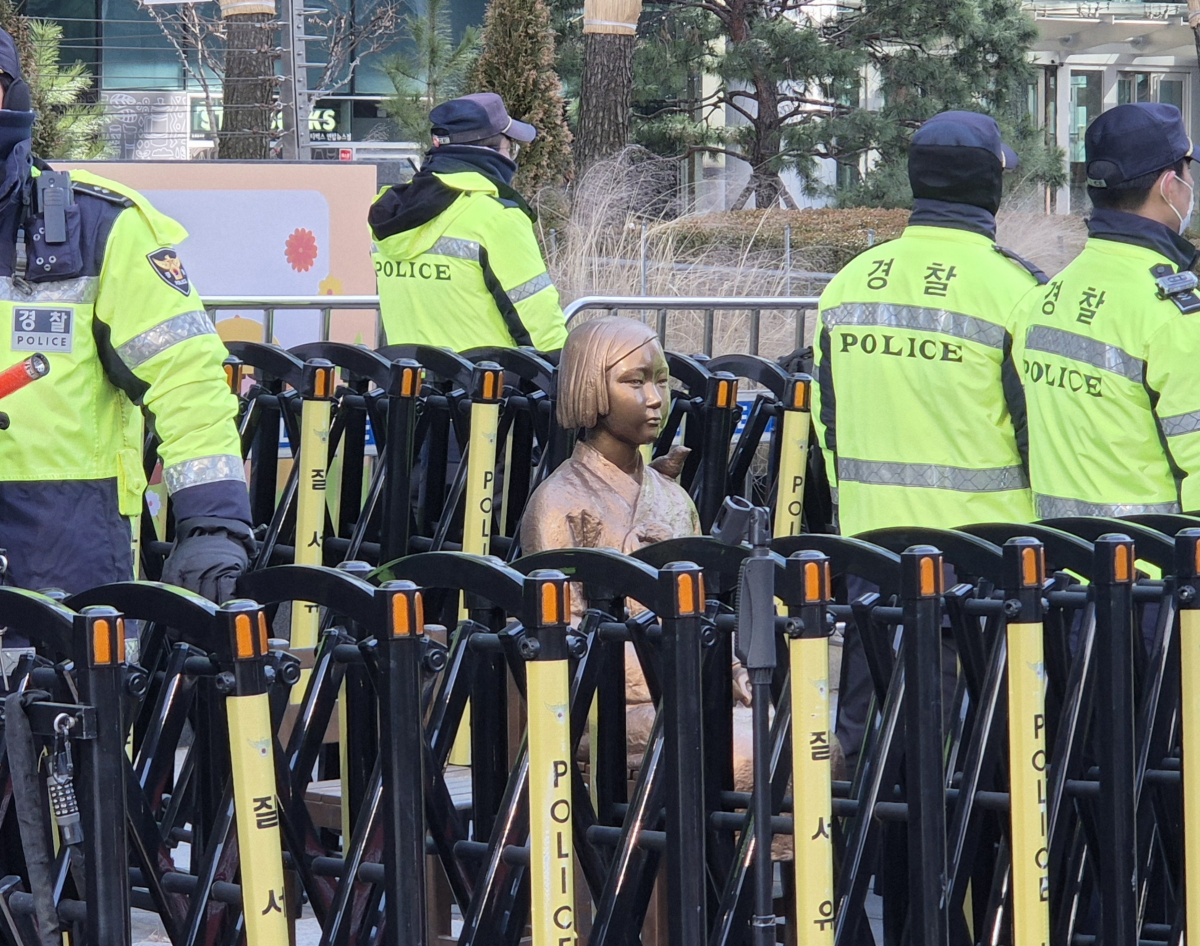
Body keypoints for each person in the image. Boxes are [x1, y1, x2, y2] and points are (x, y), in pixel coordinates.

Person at [811, 110, 1043, 768]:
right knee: (987, 779)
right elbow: (1041, 444)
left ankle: (867, 874)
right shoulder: (1016, 291)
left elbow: (828, 428)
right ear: (990, 187)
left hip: (873, 568)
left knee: (872, 761)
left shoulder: (848, 284)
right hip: (986, 578)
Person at [0, 28, 251, 603]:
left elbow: (185, 378)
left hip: (63, 548)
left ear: (13, 97)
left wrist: (212, 523)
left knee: (68, 690)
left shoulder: (102, 227)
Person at [1013, 102, 1200, 519]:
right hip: (1151, 571)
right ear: (1170, 186)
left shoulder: (1043, 299)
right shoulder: (1175, 317)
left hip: (1058, 567)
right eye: (1189, 173)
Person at [369, 92, 567, 353]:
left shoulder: (390, 212)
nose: (512, 159)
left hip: (408, 384)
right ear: (490, 152)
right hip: (488, 386)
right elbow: (539, 325)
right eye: (512, 148)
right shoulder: (497, 218)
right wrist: (566, 376)